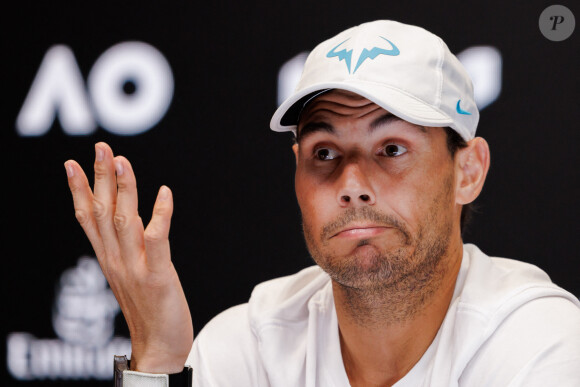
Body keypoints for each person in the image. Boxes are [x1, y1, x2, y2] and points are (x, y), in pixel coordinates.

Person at [64, 20, 580, 386]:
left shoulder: (537, 340)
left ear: (468, 171)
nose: (352, 182)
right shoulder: (248, 345)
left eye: (392, 149)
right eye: (325, 152)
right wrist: (156, 356)